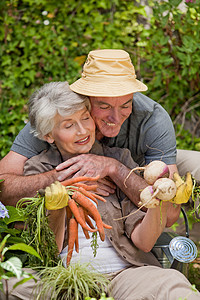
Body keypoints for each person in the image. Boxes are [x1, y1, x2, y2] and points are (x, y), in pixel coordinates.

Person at [1, 82, 198, 300]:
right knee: (8, 285)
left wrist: (158, 203)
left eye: (85, 119)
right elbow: (49, 252)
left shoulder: (120, 160)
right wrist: (57, 206)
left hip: (124, 275)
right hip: (61, 277)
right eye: (69, 126)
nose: (82, 130)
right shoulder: (37, 169)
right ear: (49, 135)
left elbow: (144, 242)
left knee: (173, 284)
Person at [0, 49, 196, 216]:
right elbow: (3, 185)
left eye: (126, 105)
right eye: (104, 106)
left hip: (147, 170)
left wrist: (113, 168)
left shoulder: (152, 118)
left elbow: (169, 215)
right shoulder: (58, 112)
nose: (116, 117)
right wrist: (69, 178)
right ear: (85, 98)